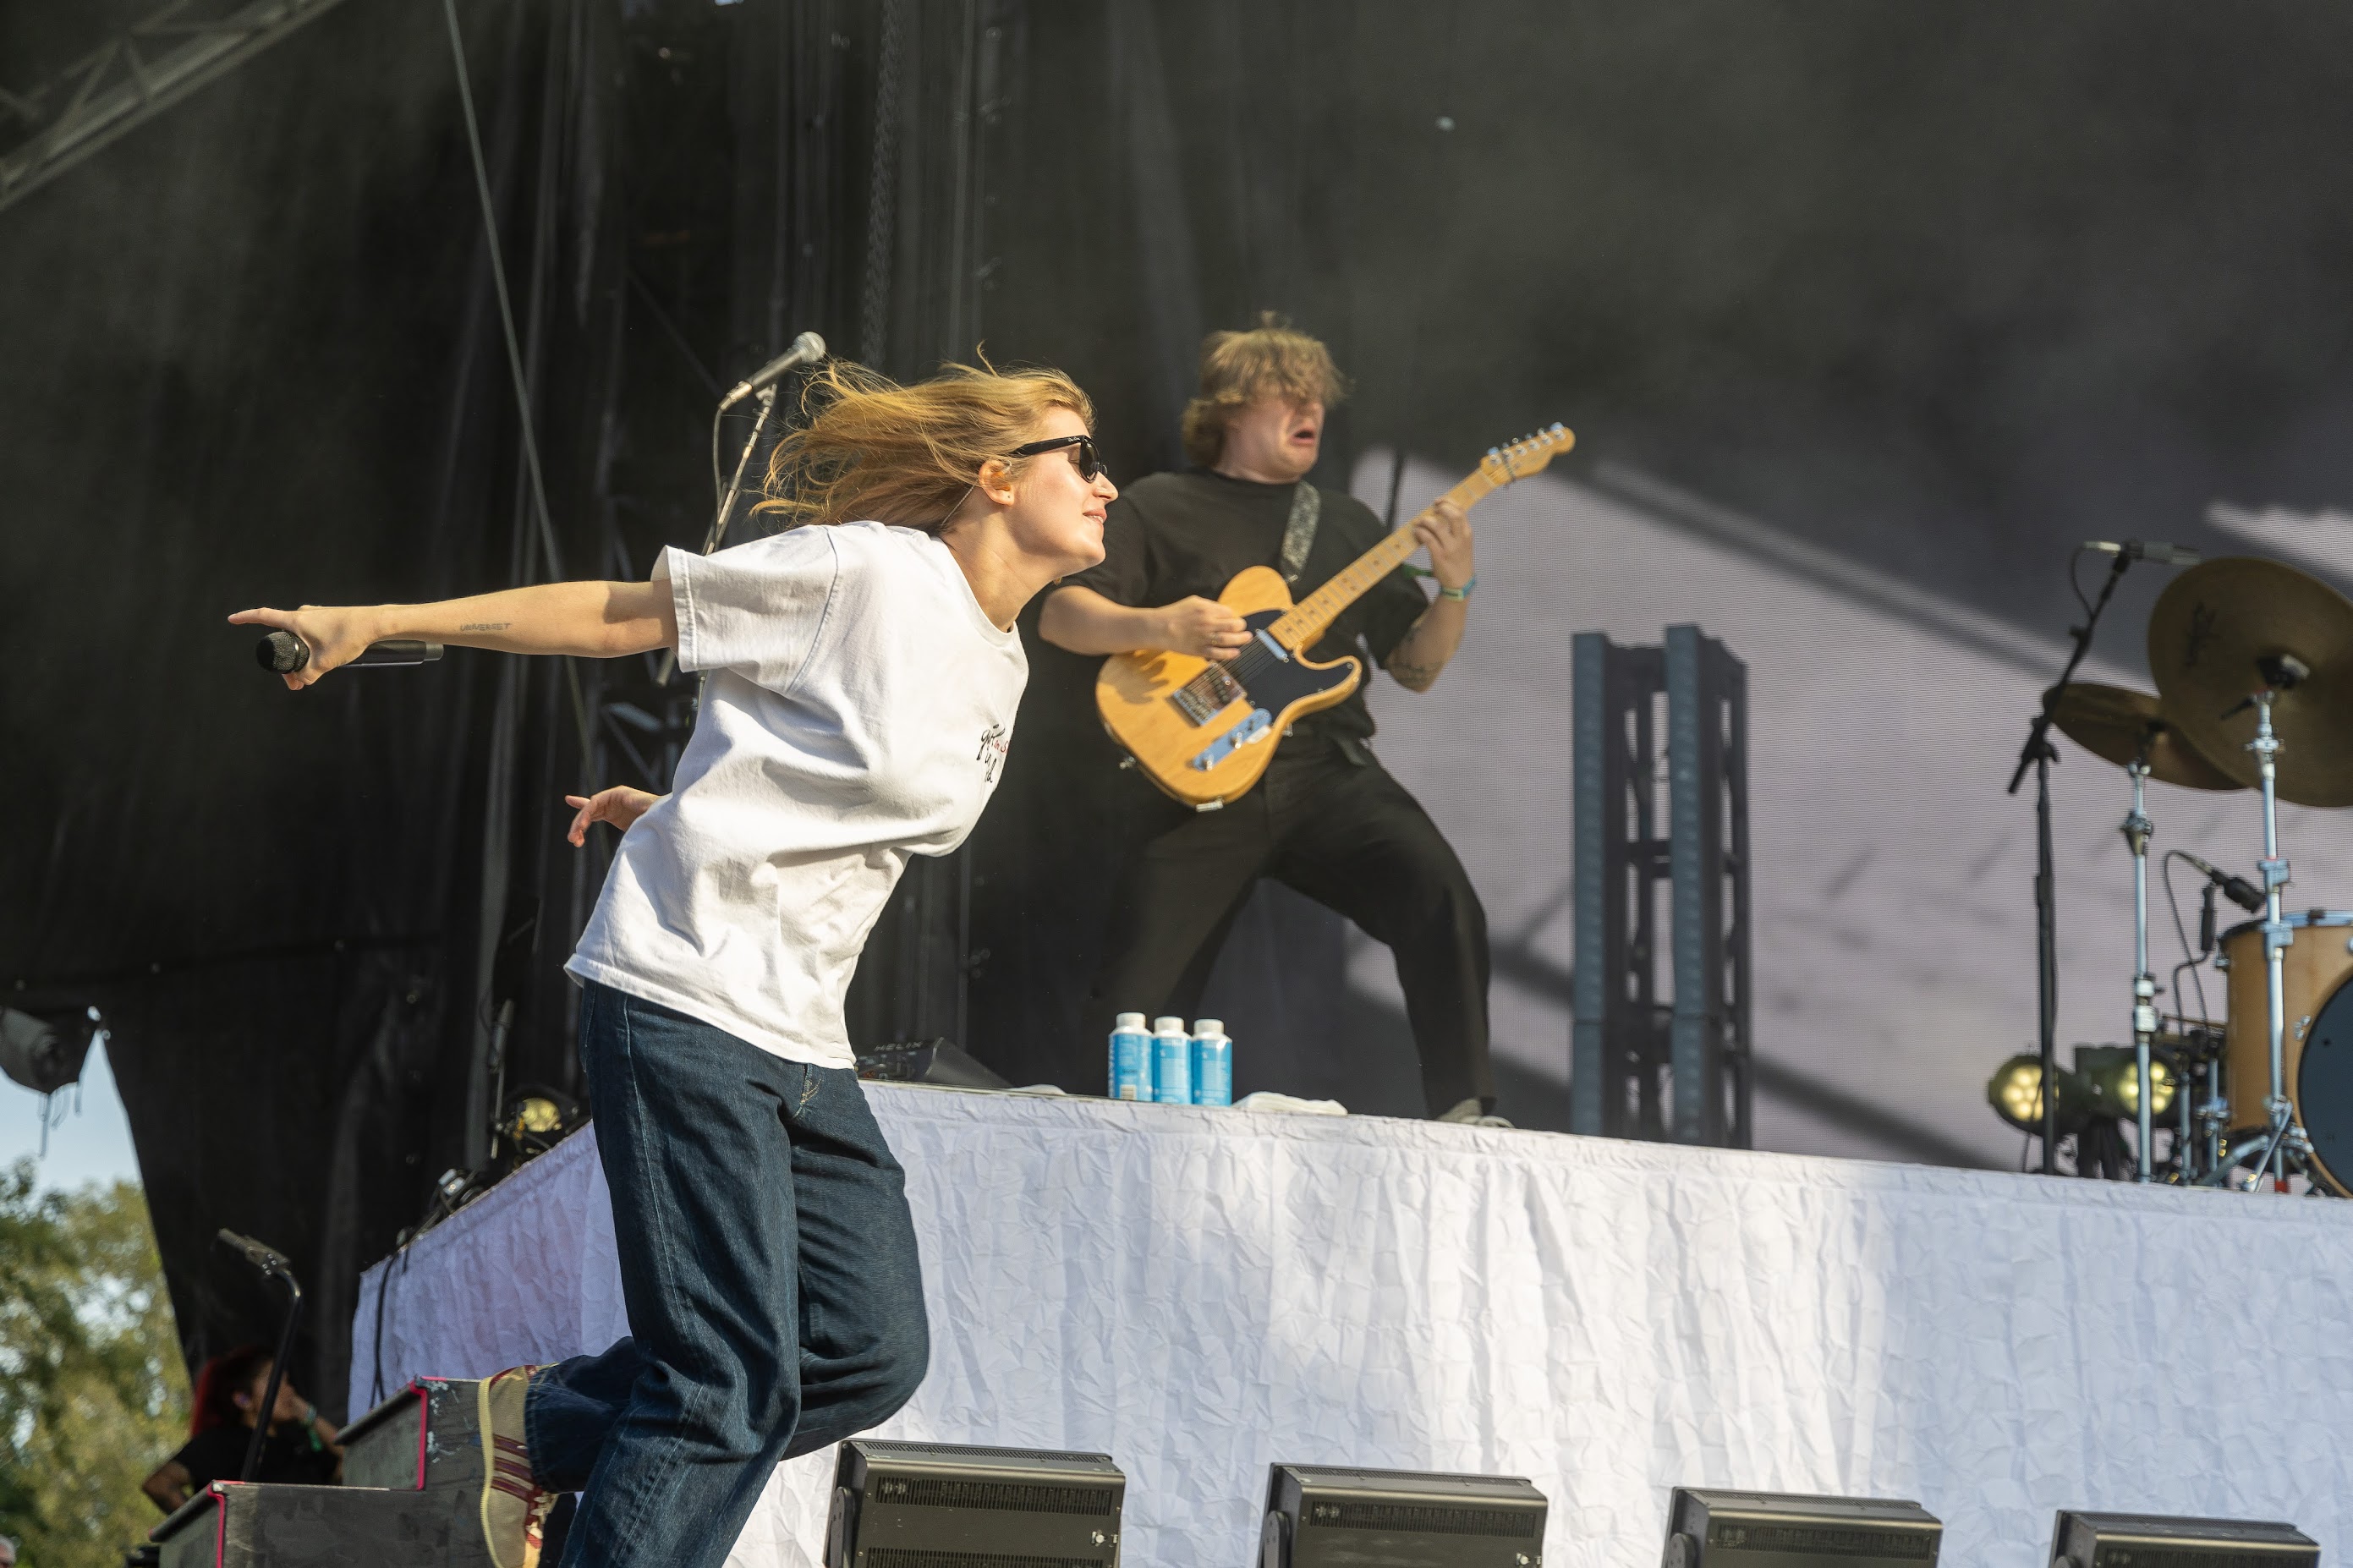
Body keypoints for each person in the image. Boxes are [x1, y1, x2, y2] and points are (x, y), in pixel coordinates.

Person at [229, 359, 1114, 1568]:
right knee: (727, 1377)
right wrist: (378, 622)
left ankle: (531, 1425)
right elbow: (617, 615)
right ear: (997, 475)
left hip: (803, 1040)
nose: (1107, 484)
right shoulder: (861, 570)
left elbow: (830, 794)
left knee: (865, 1349)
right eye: (1083, 455)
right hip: (686, 997)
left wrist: (689, 800)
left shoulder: (1003, 663)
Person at [1039, 321, 1502, 1123]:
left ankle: (1466, 1108)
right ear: (1229, 409)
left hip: (1326, 770)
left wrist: (1456, 589)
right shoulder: (1160, 503)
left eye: (1317, 393)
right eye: (1289, 391)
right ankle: (1103, 1137)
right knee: (1135, 1000)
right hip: (1201, 774)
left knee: (1442, 899)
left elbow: (1416, 668)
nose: (1310, 405)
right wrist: (1163, 629)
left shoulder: (1350, 524)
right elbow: (1062, 617)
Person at [141, 1344, 342, 1510]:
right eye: (273, 1380)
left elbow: (351, 1457)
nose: (288, 1389)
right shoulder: (222, 1443)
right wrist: (209, 1533)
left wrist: (309, 1415)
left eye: (286, 1381)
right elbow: (159, 1484)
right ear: (243, 1399)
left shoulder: (297, 1446)